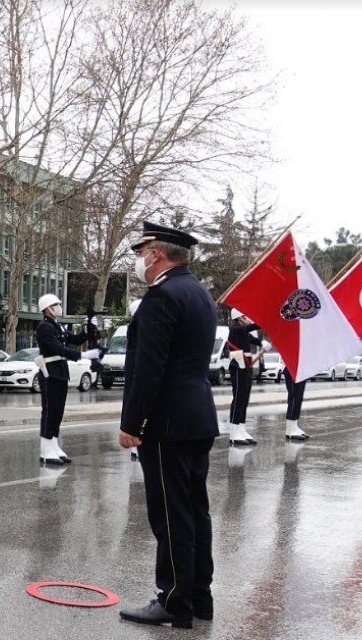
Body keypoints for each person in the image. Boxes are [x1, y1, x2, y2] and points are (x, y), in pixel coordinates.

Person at [117, 221, 218, 629]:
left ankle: (173, 601)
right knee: (195, 510)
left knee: (171, 515)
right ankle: (198, 598)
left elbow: (149, 368)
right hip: (197, 415)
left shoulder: (162, 296)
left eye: (142, 254)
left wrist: (132, 423)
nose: (141, 261)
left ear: (156, 254)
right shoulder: (199, 293)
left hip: (166, 422)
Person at [34, 293, 101, 465]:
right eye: (55, 304)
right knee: (49, 411)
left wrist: (88, 329)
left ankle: (53, 444)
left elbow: (75, 339)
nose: (58, 307)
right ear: (47, 308)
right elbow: (57, 349)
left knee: (58, 412)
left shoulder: (59, 326)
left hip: (61, 371)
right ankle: (46, 448)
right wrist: (83, 355)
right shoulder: (44, 327)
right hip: (50, 372)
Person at [225, 309, 263, 446]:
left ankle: (241, 428)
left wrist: (262, 343)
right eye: (244, 316)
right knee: (238, 398)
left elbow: (253, 339)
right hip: (237, 367)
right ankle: (234, 432)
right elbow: (250, 327)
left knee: (245, 398)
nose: (247, 318)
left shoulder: (243, 331)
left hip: (246, 366)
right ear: (238, 318)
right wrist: (263, 322)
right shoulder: (235, 329)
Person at [282, 364, 310, 441]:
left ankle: (294, 425)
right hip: (293, 369)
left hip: (301, 370)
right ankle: (290, 429)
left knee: (298, 399)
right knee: (294, 398)